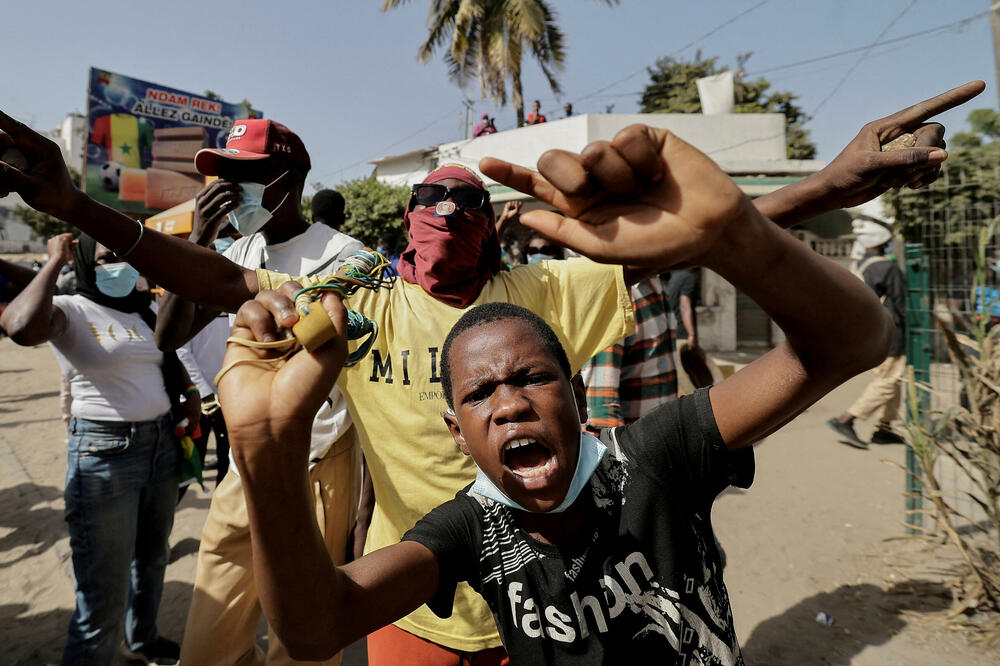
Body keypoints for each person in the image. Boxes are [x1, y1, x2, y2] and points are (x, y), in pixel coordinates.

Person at [0, 79, 984, 661]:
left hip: (551, 602)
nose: (441, 222)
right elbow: (215, 277)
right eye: (428, 205)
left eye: (461, 205)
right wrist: (78, 210)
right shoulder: (366, 304)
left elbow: (677, 246)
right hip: (410, 599)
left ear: (493, 229)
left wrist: (824, 186)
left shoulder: (547, 297)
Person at [212, 121, 896, 663]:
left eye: (534, 376)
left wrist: (746, 228)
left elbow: (845, 340)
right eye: (479, 394)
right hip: (421, 617)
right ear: (455, 426)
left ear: (579, 386)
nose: (508, 403)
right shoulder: (469, 532)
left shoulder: (651, 456)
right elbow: (314, 627)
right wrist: (265, 451)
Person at [155, 119, 366, 666]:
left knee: (303, 645)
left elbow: (368, 380)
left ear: (290, 179)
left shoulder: (345, 257)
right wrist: (198, 241)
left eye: (244, 174)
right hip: (242, 469)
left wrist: (365, 500)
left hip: (318, 465)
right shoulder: (237, 252)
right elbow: (169, 334)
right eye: (222, 173)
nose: (228, 186)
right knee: (207, 645)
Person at [0, 233, 198, 665]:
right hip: (106, 457)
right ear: (87, 262)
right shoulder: (71, 309)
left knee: (152, 560)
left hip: (162, 446)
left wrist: (188, 391)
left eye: (127, 257)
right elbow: (19, 327)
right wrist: (54, 262)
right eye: (109, 258)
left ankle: (141, 638)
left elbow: (162, 353)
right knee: (103, 590)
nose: (120, 267)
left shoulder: (142, 307)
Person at [827, 219, 907, 448]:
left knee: (893, 381)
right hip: (895, 333)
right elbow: (901, 306)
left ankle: (884, 428)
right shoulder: (888, 268)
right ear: (882, 241)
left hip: (876, 331)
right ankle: (846, 419)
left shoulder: (864, 265)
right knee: (888, 381)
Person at [581, 274, 677, 429]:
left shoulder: (655, 287)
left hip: (661, 437)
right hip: (638, 446)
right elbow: (602, 416)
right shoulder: (616, 295)